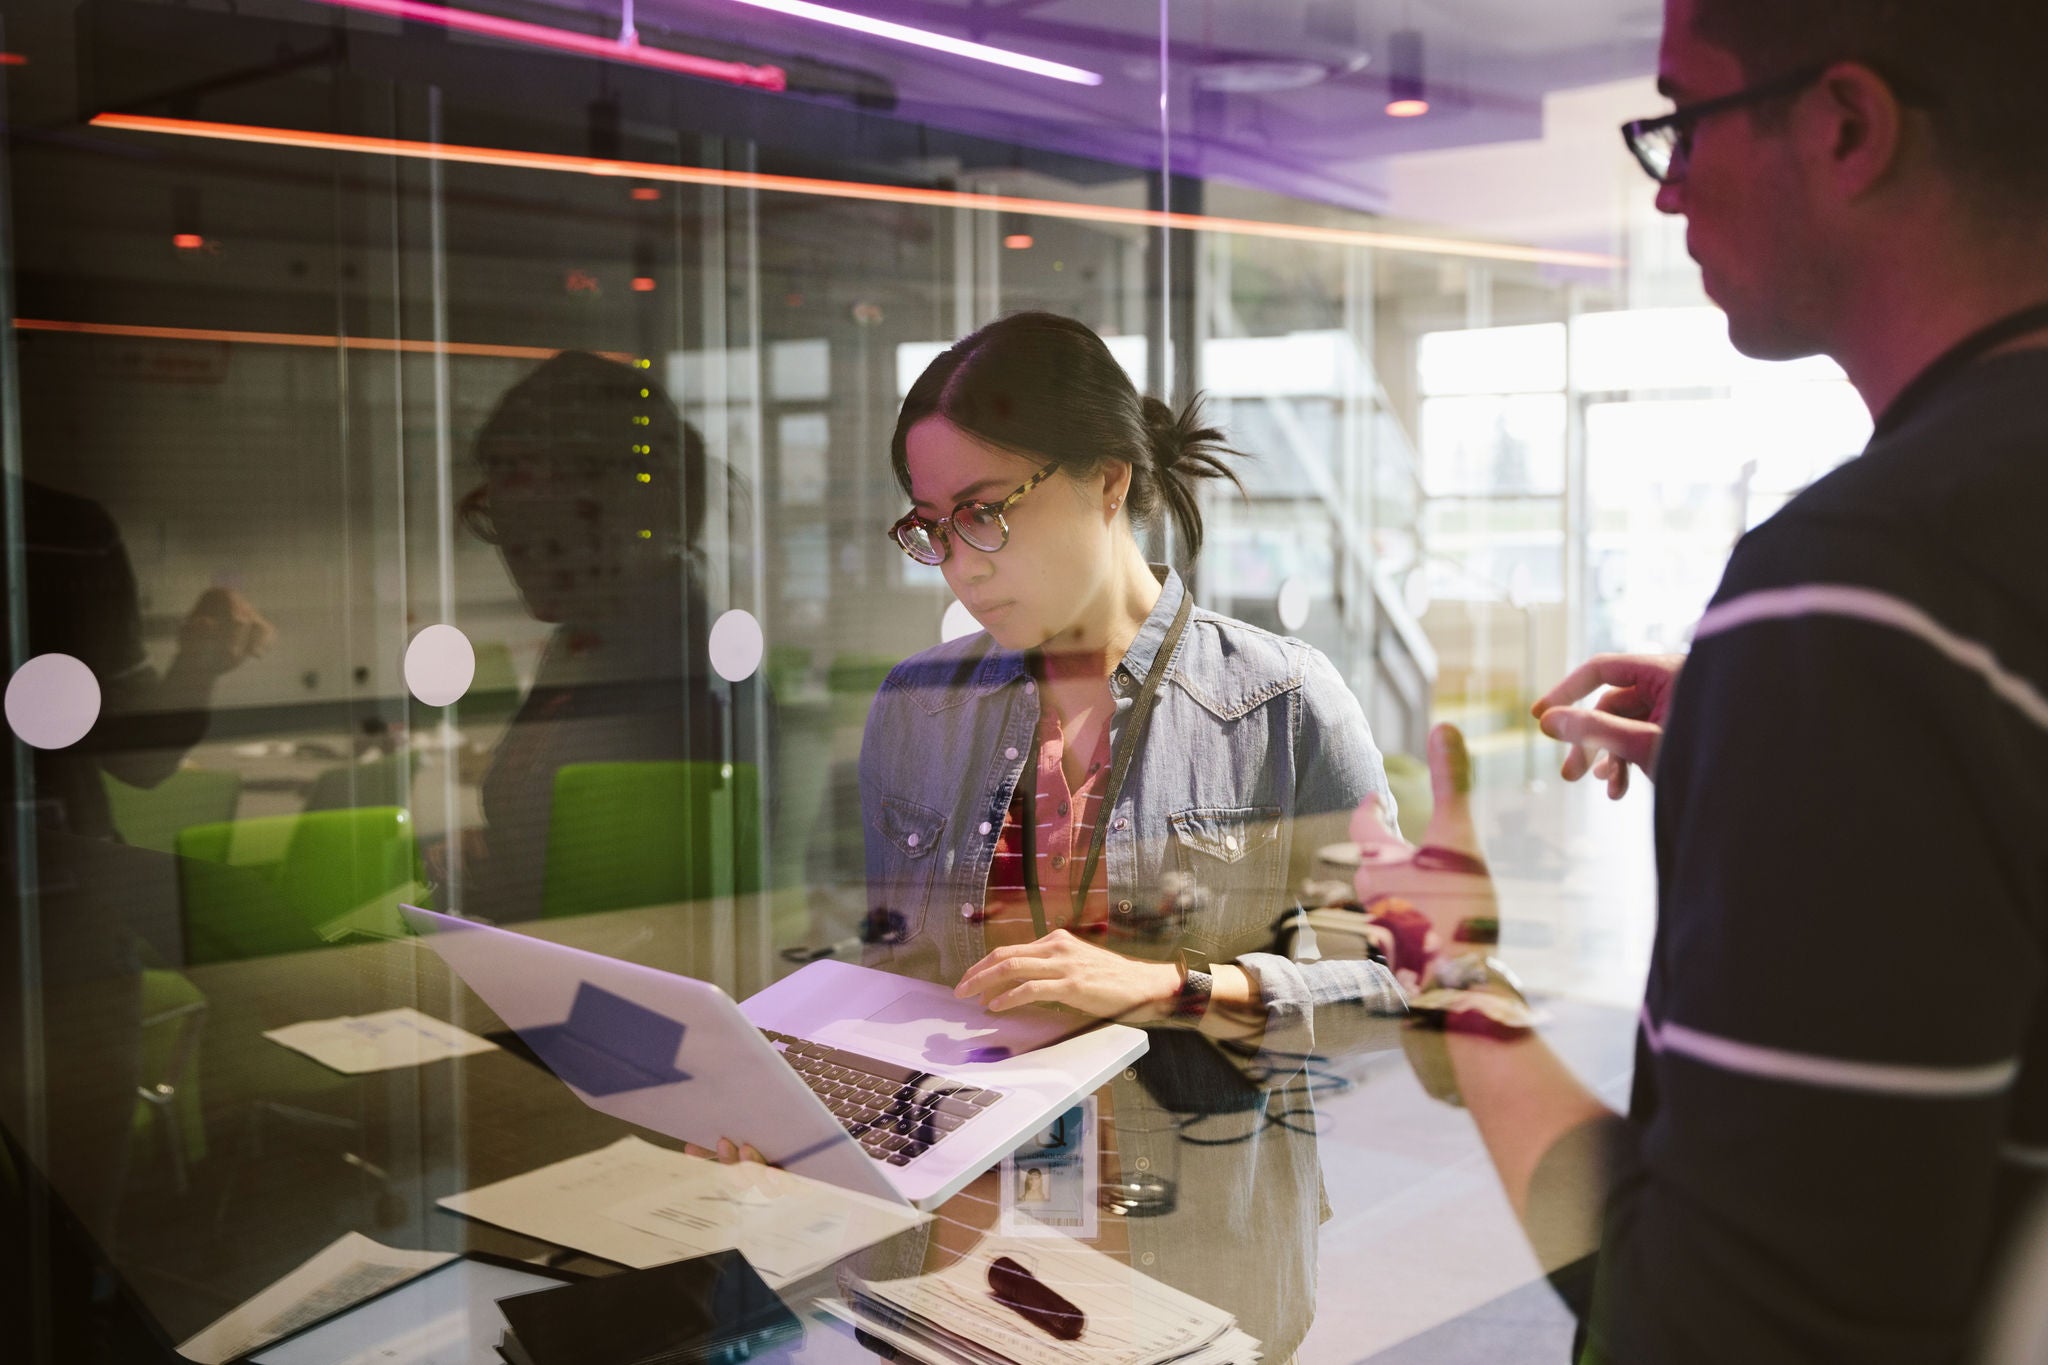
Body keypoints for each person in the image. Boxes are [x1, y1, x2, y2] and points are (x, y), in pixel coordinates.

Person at [1358, 2, 2048, 1360]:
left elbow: (1728, 1324)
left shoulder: (1871, 586)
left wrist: (1456, 984)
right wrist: (1795, 755)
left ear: (1847, 124)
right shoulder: (1926, 603)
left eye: (1683, 120)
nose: (1666, 188)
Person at [858, 311, 1405, 1356]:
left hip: (1185, 1260)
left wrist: (1170, 988)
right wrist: (799, 1110)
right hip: (956, 1254)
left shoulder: (1280, 700)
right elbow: (890, 968)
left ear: (1107, 482)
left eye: (984, 513)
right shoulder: (915, 705)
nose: (957, 566)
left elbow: (1389, 979)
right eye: (929, 526)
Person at [454, 352, 748, 923]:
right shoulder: (588, 638)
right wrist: (495, 854)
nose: (521, 560)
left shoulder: (675, 667)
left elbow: (639, 901)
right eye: (509, 532)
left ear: (627, 512)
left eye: (547, 536)